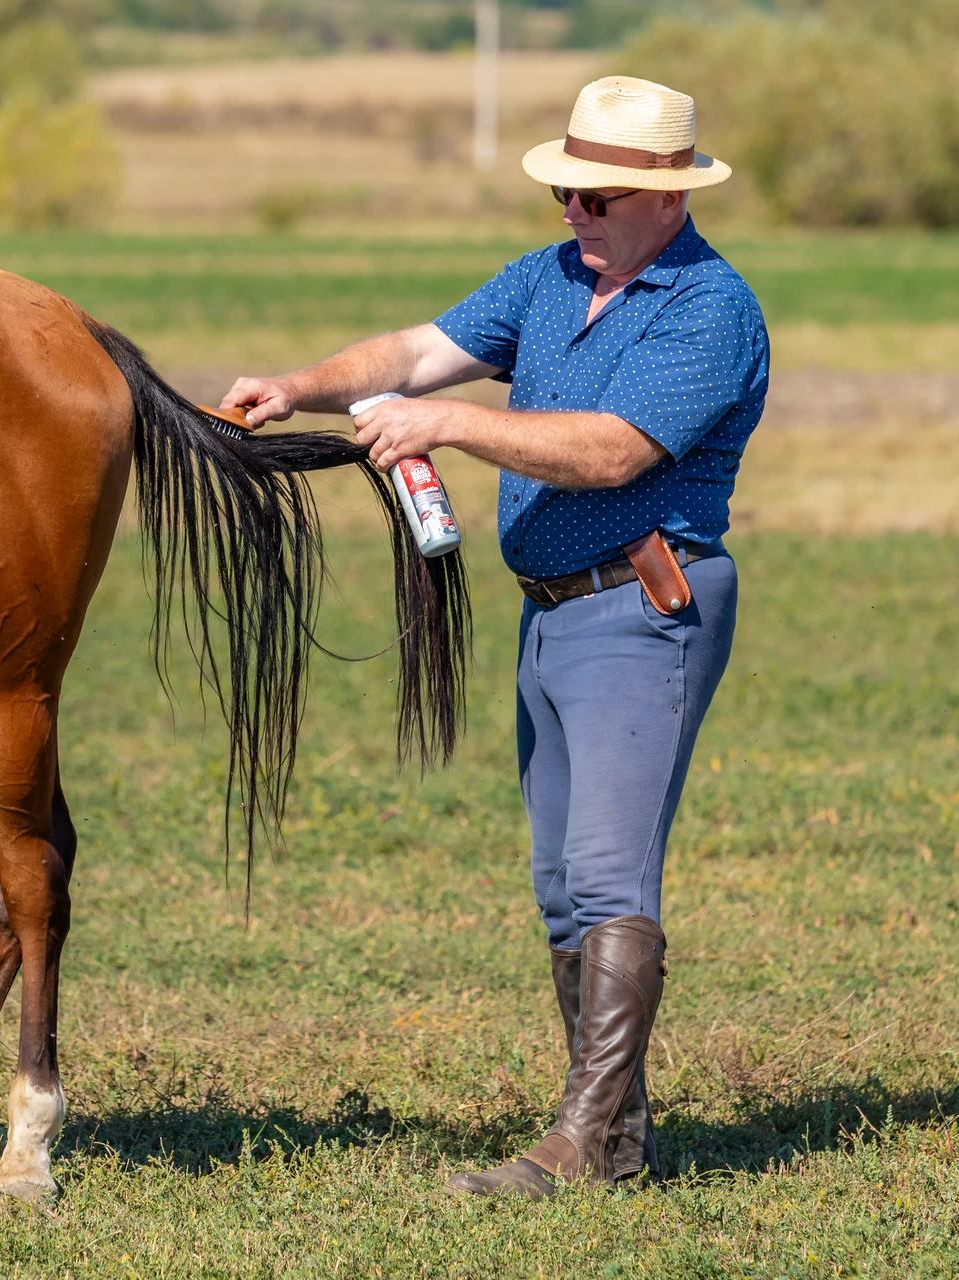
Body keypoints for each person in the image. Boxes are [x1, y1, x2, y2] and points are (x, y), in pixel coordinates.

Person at [220, 75, 768, 1198]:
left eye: (596, 193)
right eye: (564, 185)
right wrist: (299, 385)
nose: (573, 207)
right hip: (554, 614)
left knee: (610, 876)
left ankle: (573, 1143)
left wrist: (452, 426)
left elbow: (614, 452)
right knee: (562, 885)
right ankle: (616, 1145)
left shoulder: (710, 307)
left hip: (641, 605)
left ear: (665, 196)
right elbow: (412, 354)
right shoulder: (549, 277)